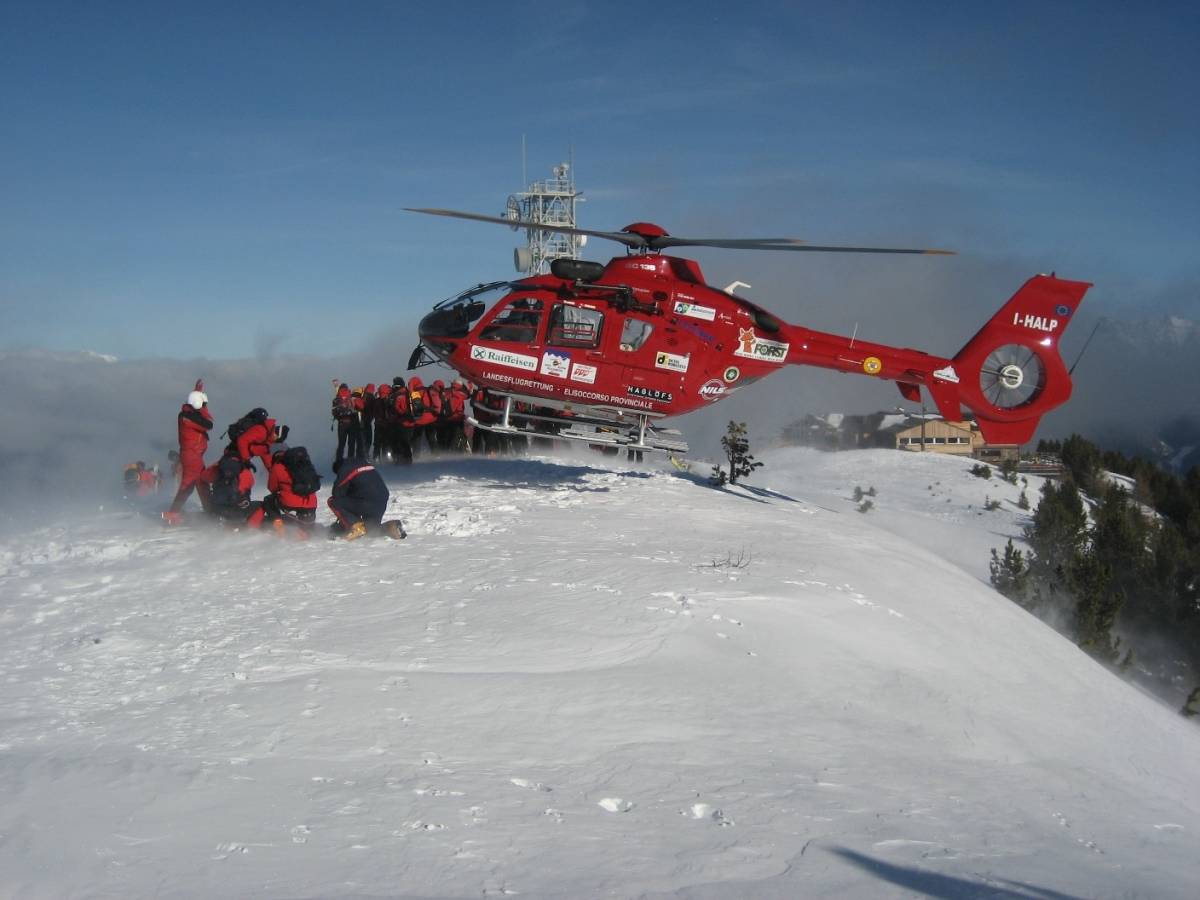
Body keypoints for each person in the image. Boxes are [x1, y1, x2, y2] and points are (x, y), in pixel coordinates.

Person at [164, 381, 213, 524]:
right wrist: (200, 401)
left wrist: (198, 392)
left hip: (194, 454)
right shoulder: (188, 417)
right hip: (192, 455)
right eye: (203, 404)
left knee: (200, 482)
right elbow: (208, 425)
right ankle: (173, 513)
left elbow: (195, 405)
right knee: (189, 483)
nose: (205, 407)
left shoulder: (187, 413)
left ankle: (209, 510)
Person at [327, 456, 398, 540]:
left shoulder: (345, 468)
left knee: (333, 501)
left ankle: (356, 526)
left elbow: (337, 493)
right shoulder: (364, 464)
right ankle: (391, 527)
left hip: (368, 501)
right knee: (371, 531)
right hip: (381, 501)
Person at [263, 447, 320, 537]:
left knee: (268, 500)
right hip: (311, 504)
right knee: (306, 519)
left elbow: (272, 488)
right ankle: (304, 530)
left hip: (290, 503)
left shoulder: (277, 467)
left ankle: (278, 522)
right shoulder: (305, 465)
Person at [207, 447, 264, 530]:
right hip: (237, 510)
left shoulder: (218, 469)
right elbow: (250, 484)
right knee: (262, 505)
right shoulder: (245, 471)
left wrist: (216, 465)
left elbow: (203, 476)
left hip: (218, 509)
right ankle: (251, 528)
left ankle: (220, 521)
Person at [332, 382, 357, 470]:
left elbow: (334, 413)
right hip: (351, 423)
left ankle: (339, 460)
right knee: (351, 443)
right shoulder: (351, 398)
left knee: (341, 444)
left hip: (341, 424)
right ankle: (351, 461)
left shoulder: (336, 399)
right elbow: (356, 409)